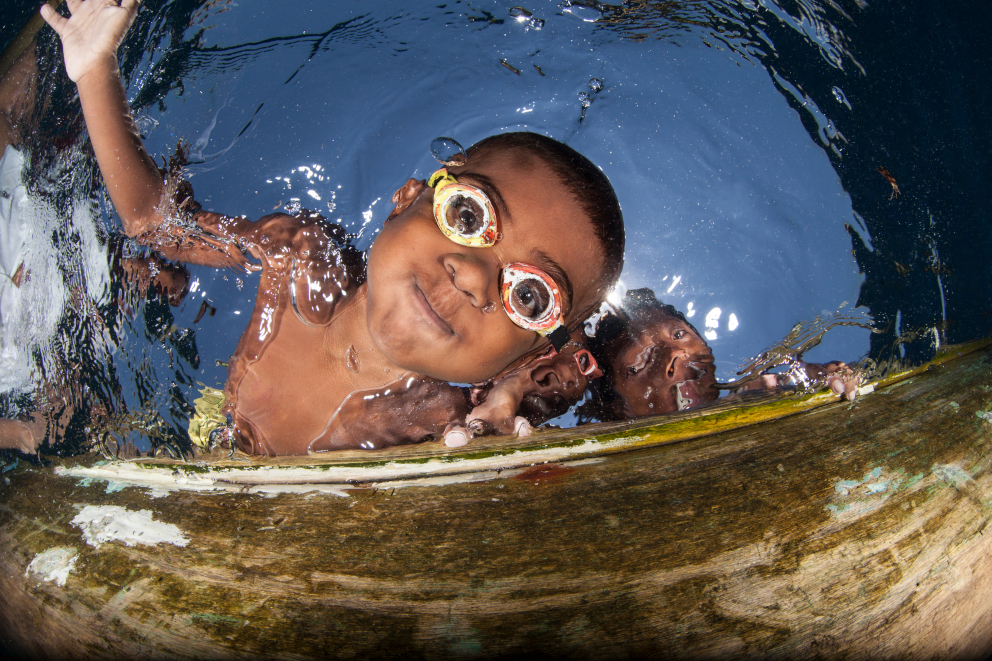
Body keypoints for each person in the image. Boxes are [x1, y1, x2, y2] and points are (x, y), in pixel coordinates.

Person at [38, 0, 625, 456]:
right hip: (205, 420)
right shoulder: (299, 257)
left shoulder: (448, 426)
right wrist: (94, 69)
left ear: (522, 354)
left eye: (529, 295)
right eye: (468, 216)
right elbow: (157, 226)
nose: (473, 275)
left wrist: (506, 420)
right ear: (406, 200)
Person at [587, 288, 861, 420]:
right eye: (639, 363)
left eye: (679, 335)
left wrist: (829, 377)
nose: (674, 354)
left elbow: (801, 380)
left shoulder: (751, 392)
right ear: (619, 409)